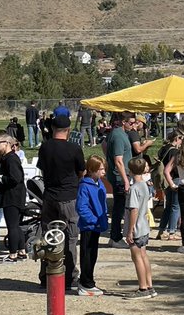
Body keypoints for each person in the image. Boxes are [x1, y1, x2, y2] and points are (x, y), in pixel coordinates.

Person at [37, 116, 85, 291]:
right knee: (70, 237)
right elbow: (81, 171)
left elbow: (42, 169)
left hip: (49, 195)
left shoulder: (45, 147)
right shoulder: (74, 148)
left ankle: (46, 275)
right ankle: (70, 276)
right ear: (68, 129)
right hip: (69, 196)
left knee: (48, 236)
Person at [124, 157, 156, 298]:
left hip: (136, 228)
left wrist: (130, 231)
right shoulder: (145, 185)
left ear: (130, 171)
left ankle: (142, 288)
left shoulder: (133, 189)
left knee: (137, 257)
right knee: (144, 256)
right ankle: (150, 285)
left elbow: (133, 210)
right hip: (144, 226)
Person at [76, 155, 109, 296]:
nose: (103, 172)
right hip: (88, 226)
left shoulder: (99, 183)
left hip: (97, 224)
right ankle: (85, 282)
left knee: (93, 254)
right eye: (100, 169)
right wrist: (92, 219)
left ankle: (89, 280)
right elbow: (81, 207)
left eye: (104, 169)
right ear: (91, 170)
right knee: (87, 255)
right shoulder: (84, 186)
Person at [0, 134, 27, 264]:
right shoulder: (6, 158)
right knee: (16, 225)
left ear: (7, 143)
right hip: (13, 195)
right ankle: (21, 250)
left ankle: (13, 254)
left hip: (12, 195)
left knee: (12, 225)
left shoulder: (11, 159)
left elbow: (15, 178)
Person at [106, 114, 134, 247]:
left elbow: (104, 145)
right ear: (124, 122)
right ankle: (116, 237)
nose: (133, 126)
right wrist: (126, 180)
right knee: (119, 208)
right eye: (131, 123)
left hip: (119, 175)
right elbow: (118, 160)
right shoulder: (118, 136)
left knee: (119, 206)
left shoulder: (118, 134)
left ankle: (114, 236)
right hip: (119, 177)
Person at [155, 131, 181, 241]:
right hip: (174, 178)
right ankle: (172, 232)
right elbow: (175, 167)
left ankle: (161, 231)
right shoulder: (175, 151)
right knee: (175, 206)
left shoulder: (163, 148)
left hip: (164, 180)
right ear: (176, 139)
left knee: (168, 206)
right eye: (181, 139)